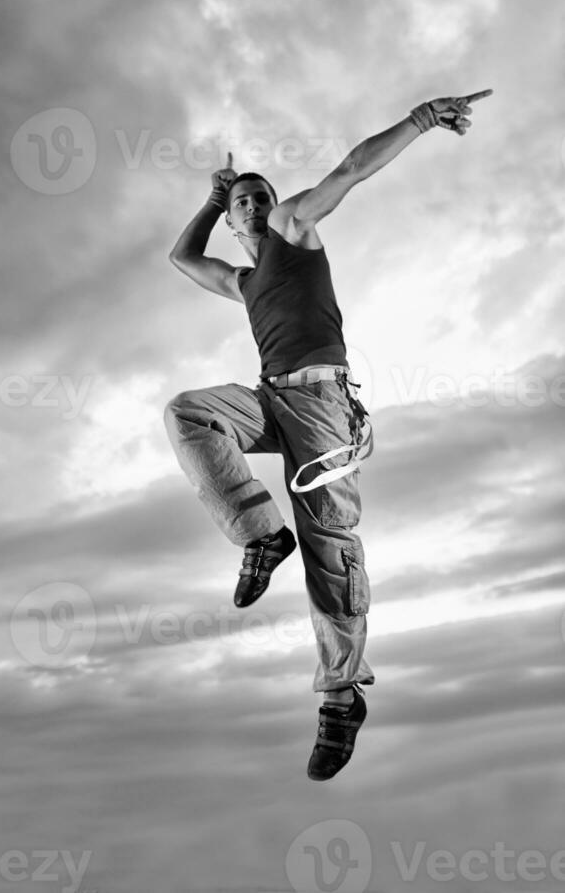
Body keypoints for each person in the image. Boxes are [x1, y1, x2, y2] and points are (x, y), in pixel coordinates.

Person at [164, 89, 493, 781]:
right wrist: (211, 197)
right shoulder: (242, 278)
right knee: (189, 412)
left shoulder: (292, 230)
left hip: (319, 405)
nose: (254, 206)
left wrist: (421, 119)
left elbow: (349, 169)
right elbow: (179, 259)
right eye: (241, 204)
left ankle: (340, 696)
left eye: (259, 195)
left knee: (330, 549)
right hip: (268, 400)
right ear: (230, 222)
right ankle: (260, 533)